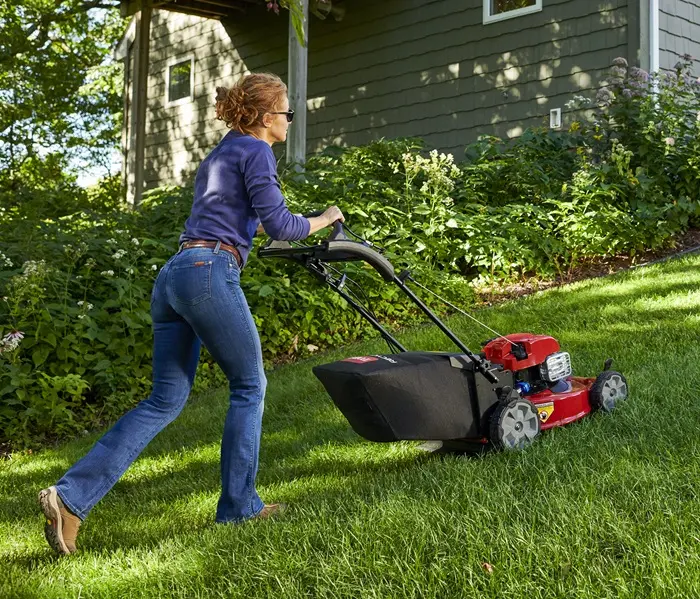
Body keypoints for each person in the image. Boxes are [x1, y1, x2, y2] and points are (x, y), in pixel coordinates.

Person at [39, 72, 345, 556]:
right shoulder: (257, 150)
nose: (290, 119)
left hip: (176, 273)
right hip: (209, 270)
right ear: (267, 118)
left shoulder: (222, 152)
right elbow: (281, 226)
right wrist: (326, 218)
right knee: (250, 385)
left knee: (165, 399)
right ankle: (240, 505)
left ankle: (71, 498)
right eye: (287, 111)